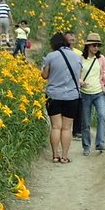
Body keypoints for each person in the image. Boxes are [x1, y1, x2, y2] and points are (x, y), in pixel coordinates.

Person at [41, 32, 82, 163]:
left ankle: (55, 155)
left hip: (54, 95)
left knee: (55, 127)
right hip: (72, 96)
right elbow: (78, 75)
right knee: (66, 128)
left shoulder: (51, 56)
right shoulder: (77, 57)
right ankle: (64, 157)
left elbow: (45, 75)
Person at [79, 33, 105, 155]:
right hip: (85, 93)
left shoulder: (101, 58)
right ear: (88, 46)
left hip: (98, 92)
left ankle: (100, 143)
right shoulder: (80, 58)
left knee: (102, 116)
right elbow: (76, 74)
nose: (96, 48)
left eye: (98, 45)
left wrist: (104, 83)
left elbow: (103, 73)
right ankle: (86, 146)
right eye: (94, 45)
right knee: (86, 121)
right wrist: (80, 81)